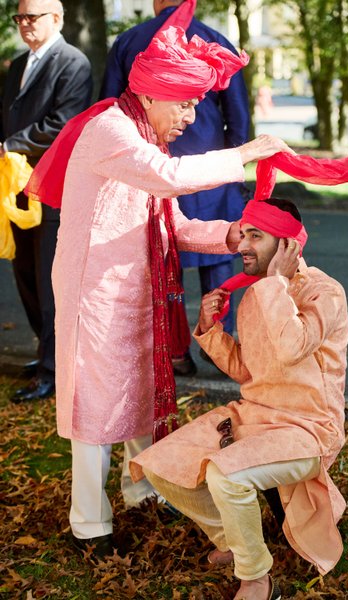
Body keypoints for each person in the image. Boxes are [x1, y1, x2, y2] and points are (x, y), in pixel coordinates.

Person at [26, 16, 292, 559]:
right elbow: (169, 178)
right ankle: (90, 526)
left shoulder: (143, 134)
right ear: (150, 94)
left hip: (137, 288)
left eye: (198, 104)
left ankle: (141, 490)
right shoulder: (110, 129)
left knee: (140, 393)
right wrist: (244, 153)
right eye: (185, 104)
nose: (192, 117)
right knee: (95, 410)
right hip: (94, 290)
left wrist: (236, 236)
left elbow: (173, 224)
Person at [130, 197, 348, 600]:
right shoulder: (256, 296)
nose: (242, 245)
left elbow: (290, 346)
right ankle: (232, 539)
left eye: (255, 235)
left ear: (287, 246)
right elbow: (251, 372)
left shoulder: (325, 292)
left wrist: (273, 285)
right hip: (254, 415)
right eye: (243, 234)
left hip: (308, 428)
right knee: (158, 464)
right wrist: (209, 328)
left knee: (224, 475)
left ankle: (257, 578)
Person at [100, 0, 250, 376]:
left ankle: (175, 351)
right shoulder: (216, 41)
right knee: (218, 257)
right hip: (210, 165)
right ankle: (221, 348)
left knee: (163, 258)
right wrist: (234, 164)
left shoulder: (130, 40)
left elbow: (109, 106)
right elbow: (239, 114)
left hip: (152, 164)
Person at [0, 0, 92, 403]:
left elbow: (64, 123)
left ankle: (55, 370)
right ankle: (46, 354)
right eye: (18, 17)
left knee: (50, 278)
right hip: (16, 184)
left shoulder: (74, 62)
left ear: (56, 18)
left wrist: (9, 146)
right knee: (23, 272)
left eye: (31, 17)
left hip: (53, 185)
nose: (23, 24)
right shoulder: (18, 64)